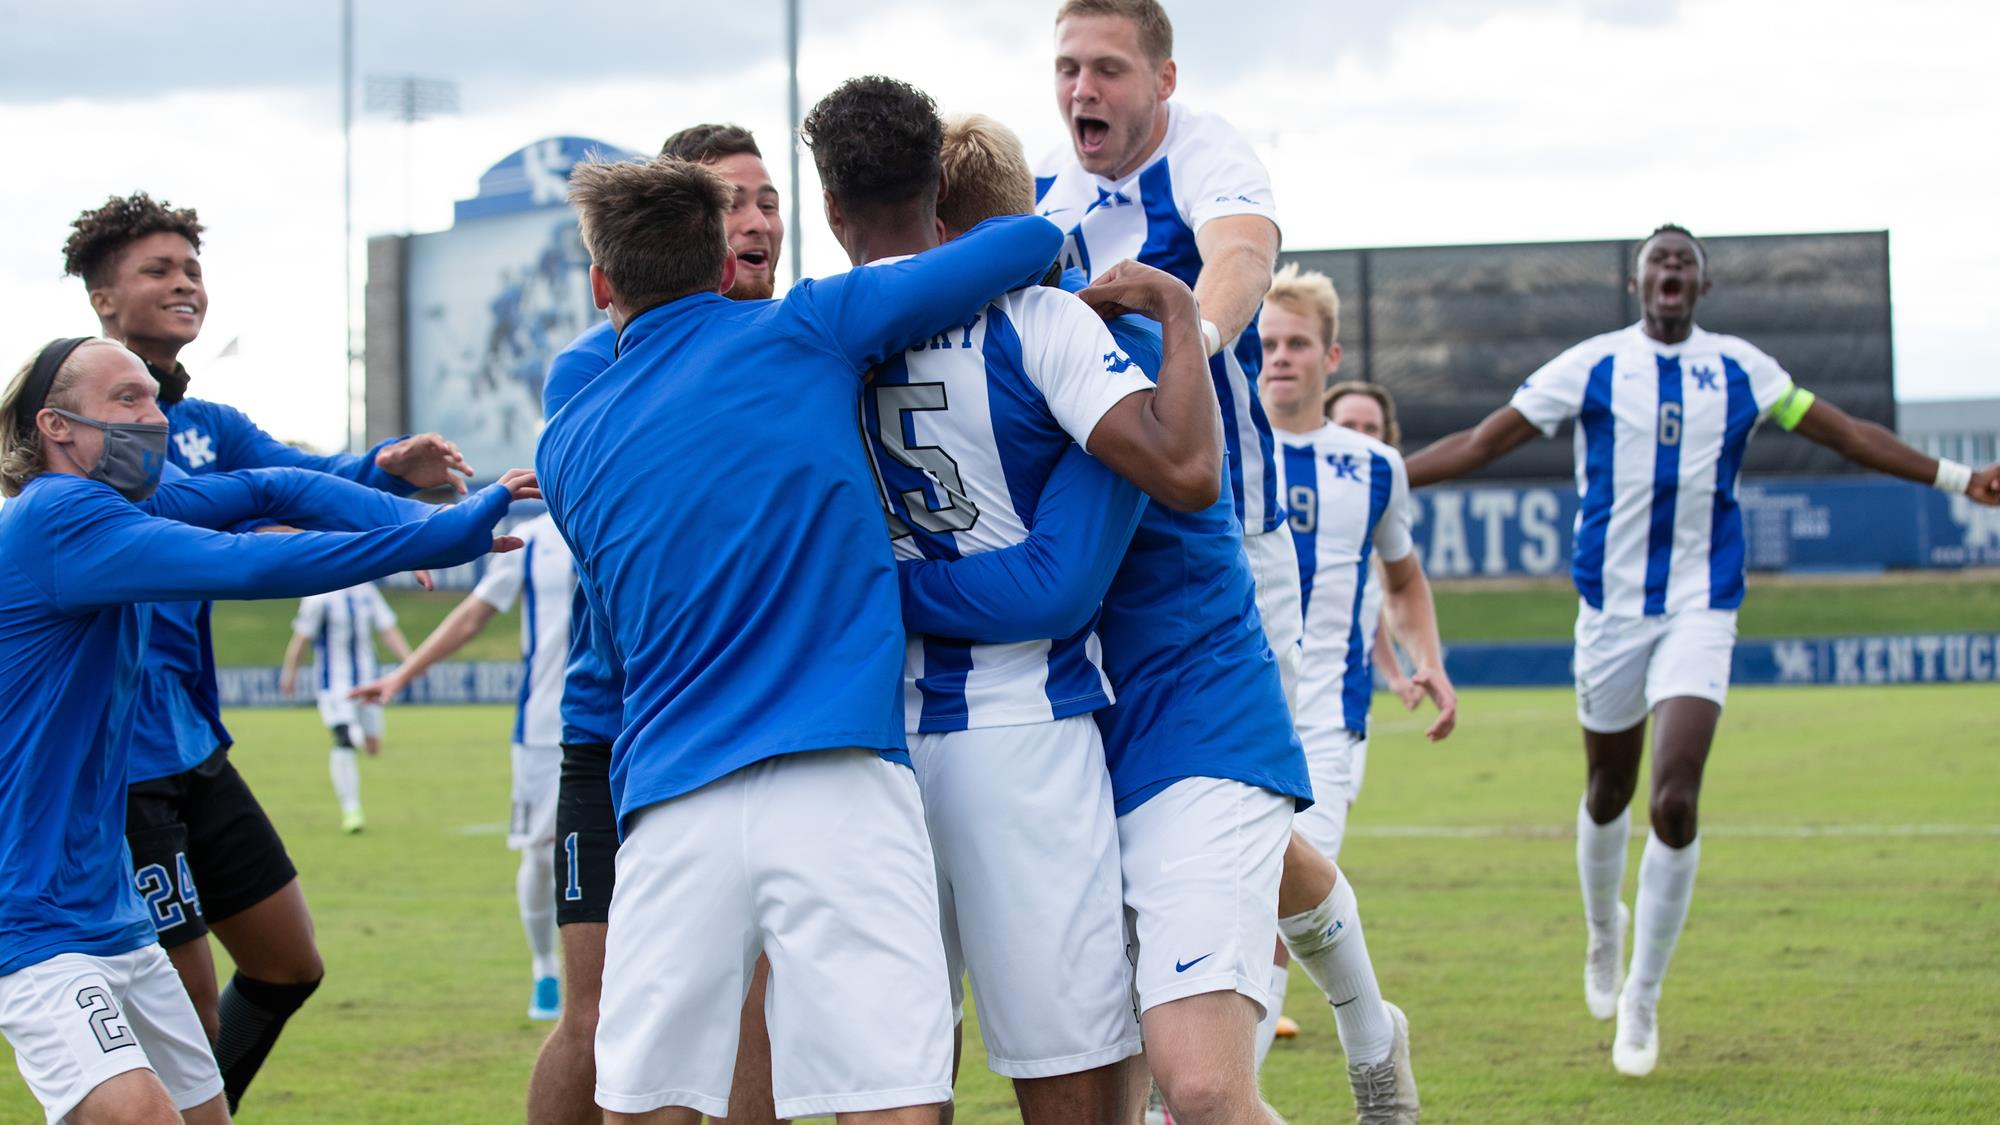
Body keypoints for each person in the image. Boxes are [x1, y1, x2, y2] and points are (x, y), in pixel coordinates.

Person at [903, 116, 1419, 1125]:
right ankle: (1369, 1019)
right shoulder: (900, 356)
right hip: (1069, 736)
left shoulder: (1085, 341)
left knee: (1197, 1089)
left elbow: (1058, 582)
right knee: (1139, 1090)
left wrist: (1182, 317)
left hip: (1190, 706)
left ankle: (1365, 1023)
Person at [1404, 223, 2000, 1077]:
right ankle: (1603, 932)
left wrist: (1955, 477)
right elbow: (1484, 440)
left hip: (1702, 608)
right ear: (1639, 284)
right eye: (1659, 262)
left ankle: (1642, 995)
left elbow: (1844, 433)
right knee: (1608, 790)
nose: (1672, 271)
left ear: (1702, 286)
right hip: (1609, 612)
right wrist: (1388, 470)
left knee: (1673, 799)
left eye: (1686, 262)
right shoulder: (1594, 365)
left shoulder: (1745, 370)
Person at [536, 151, 1060, 1123]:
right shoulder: (805, 324)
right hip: (837, 777)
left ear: (603, 283)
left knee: (645, 1104)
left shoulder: (563, 441)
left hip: (667, 800)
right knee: (893, 1096)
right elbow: (1029, 240)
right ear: (721, 261)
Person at [810, 85, 1220, 1123]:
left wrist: (865, 594)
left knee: (892, 1079)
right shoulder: (1037, 317)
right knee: (1069, 1071)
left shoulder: (802, 341)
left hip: (862, 745)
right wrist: (1175, 309)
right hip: (1020, 736)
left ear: (827, 207)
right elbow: (1182, 467)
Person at [0, 336, 528, 1125]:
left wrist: (424, 518)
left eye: (153, 396)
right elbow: (252, 566)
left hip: (110, 910)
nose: (154, 419)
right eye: (128, 402)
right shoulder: (58, 517)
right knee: (139, 1115)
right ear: (57, 426)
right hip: (31, 916)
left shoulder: (125, 502)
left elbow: (269, 486)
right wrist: (435, 538)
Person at [63, 192, 475, 1111]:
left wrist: (381, 473)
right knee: (185, 1015)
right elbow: (251, 510)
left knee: (288, 962)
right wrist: (381, 530)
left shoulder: (208, 422)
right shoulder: (78, 430)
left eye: (192, 269)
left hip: (192, 740)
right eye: (157, 270)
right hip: (117, 757)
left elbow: (298, 477)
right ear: (102, 298)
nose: (183, 284)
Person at [525, 122, 788, 1125]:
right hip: (617, 731)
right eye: (731, 202)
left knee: (761, 1008)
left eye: (767, 200)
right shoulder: (592, 368)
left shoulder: (802, 340)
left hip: (758, 731)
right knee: (595, 1017)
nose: (754, 221)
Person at [1035, 0, 1303, 711]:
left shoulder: (1206, 150)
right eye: (1068, 68)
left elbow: (1242, 255)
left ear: (1165, 79)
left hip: (1228, 528)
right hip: (1097, 544)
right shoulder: (1040, 182)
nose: (1082, 89)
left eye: (1108, 70)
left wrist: (1194, 337)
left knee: (1253, 784)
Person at [351, 512, 575, 1022]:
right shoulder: (534, 538)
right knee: (542, 858)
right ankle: (545, 969)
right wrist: (401, 676)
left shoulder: (636, 515)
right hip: (546, 729)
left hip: (634, 721)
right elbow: (474, 614)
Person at [1322, 383, 1427, 713]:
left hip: (1337, 694)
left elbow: (1365, 601)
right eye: (1348, 426)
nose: (1361, 437)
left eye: (1371, 428)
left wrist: (1397, 674)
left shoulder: (1375, 506)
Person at [279, 582, 410, 832]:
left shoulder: (367, 591)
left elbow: (388, 630)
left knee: (372, 747)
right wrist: (290, 673)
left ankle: (354, 735)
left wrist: (410, 663)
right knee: (343, 740)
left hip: (369, 681)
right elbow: (301, 638)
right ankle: (352, 811)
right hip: (334, 685)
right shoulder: (319, 595)